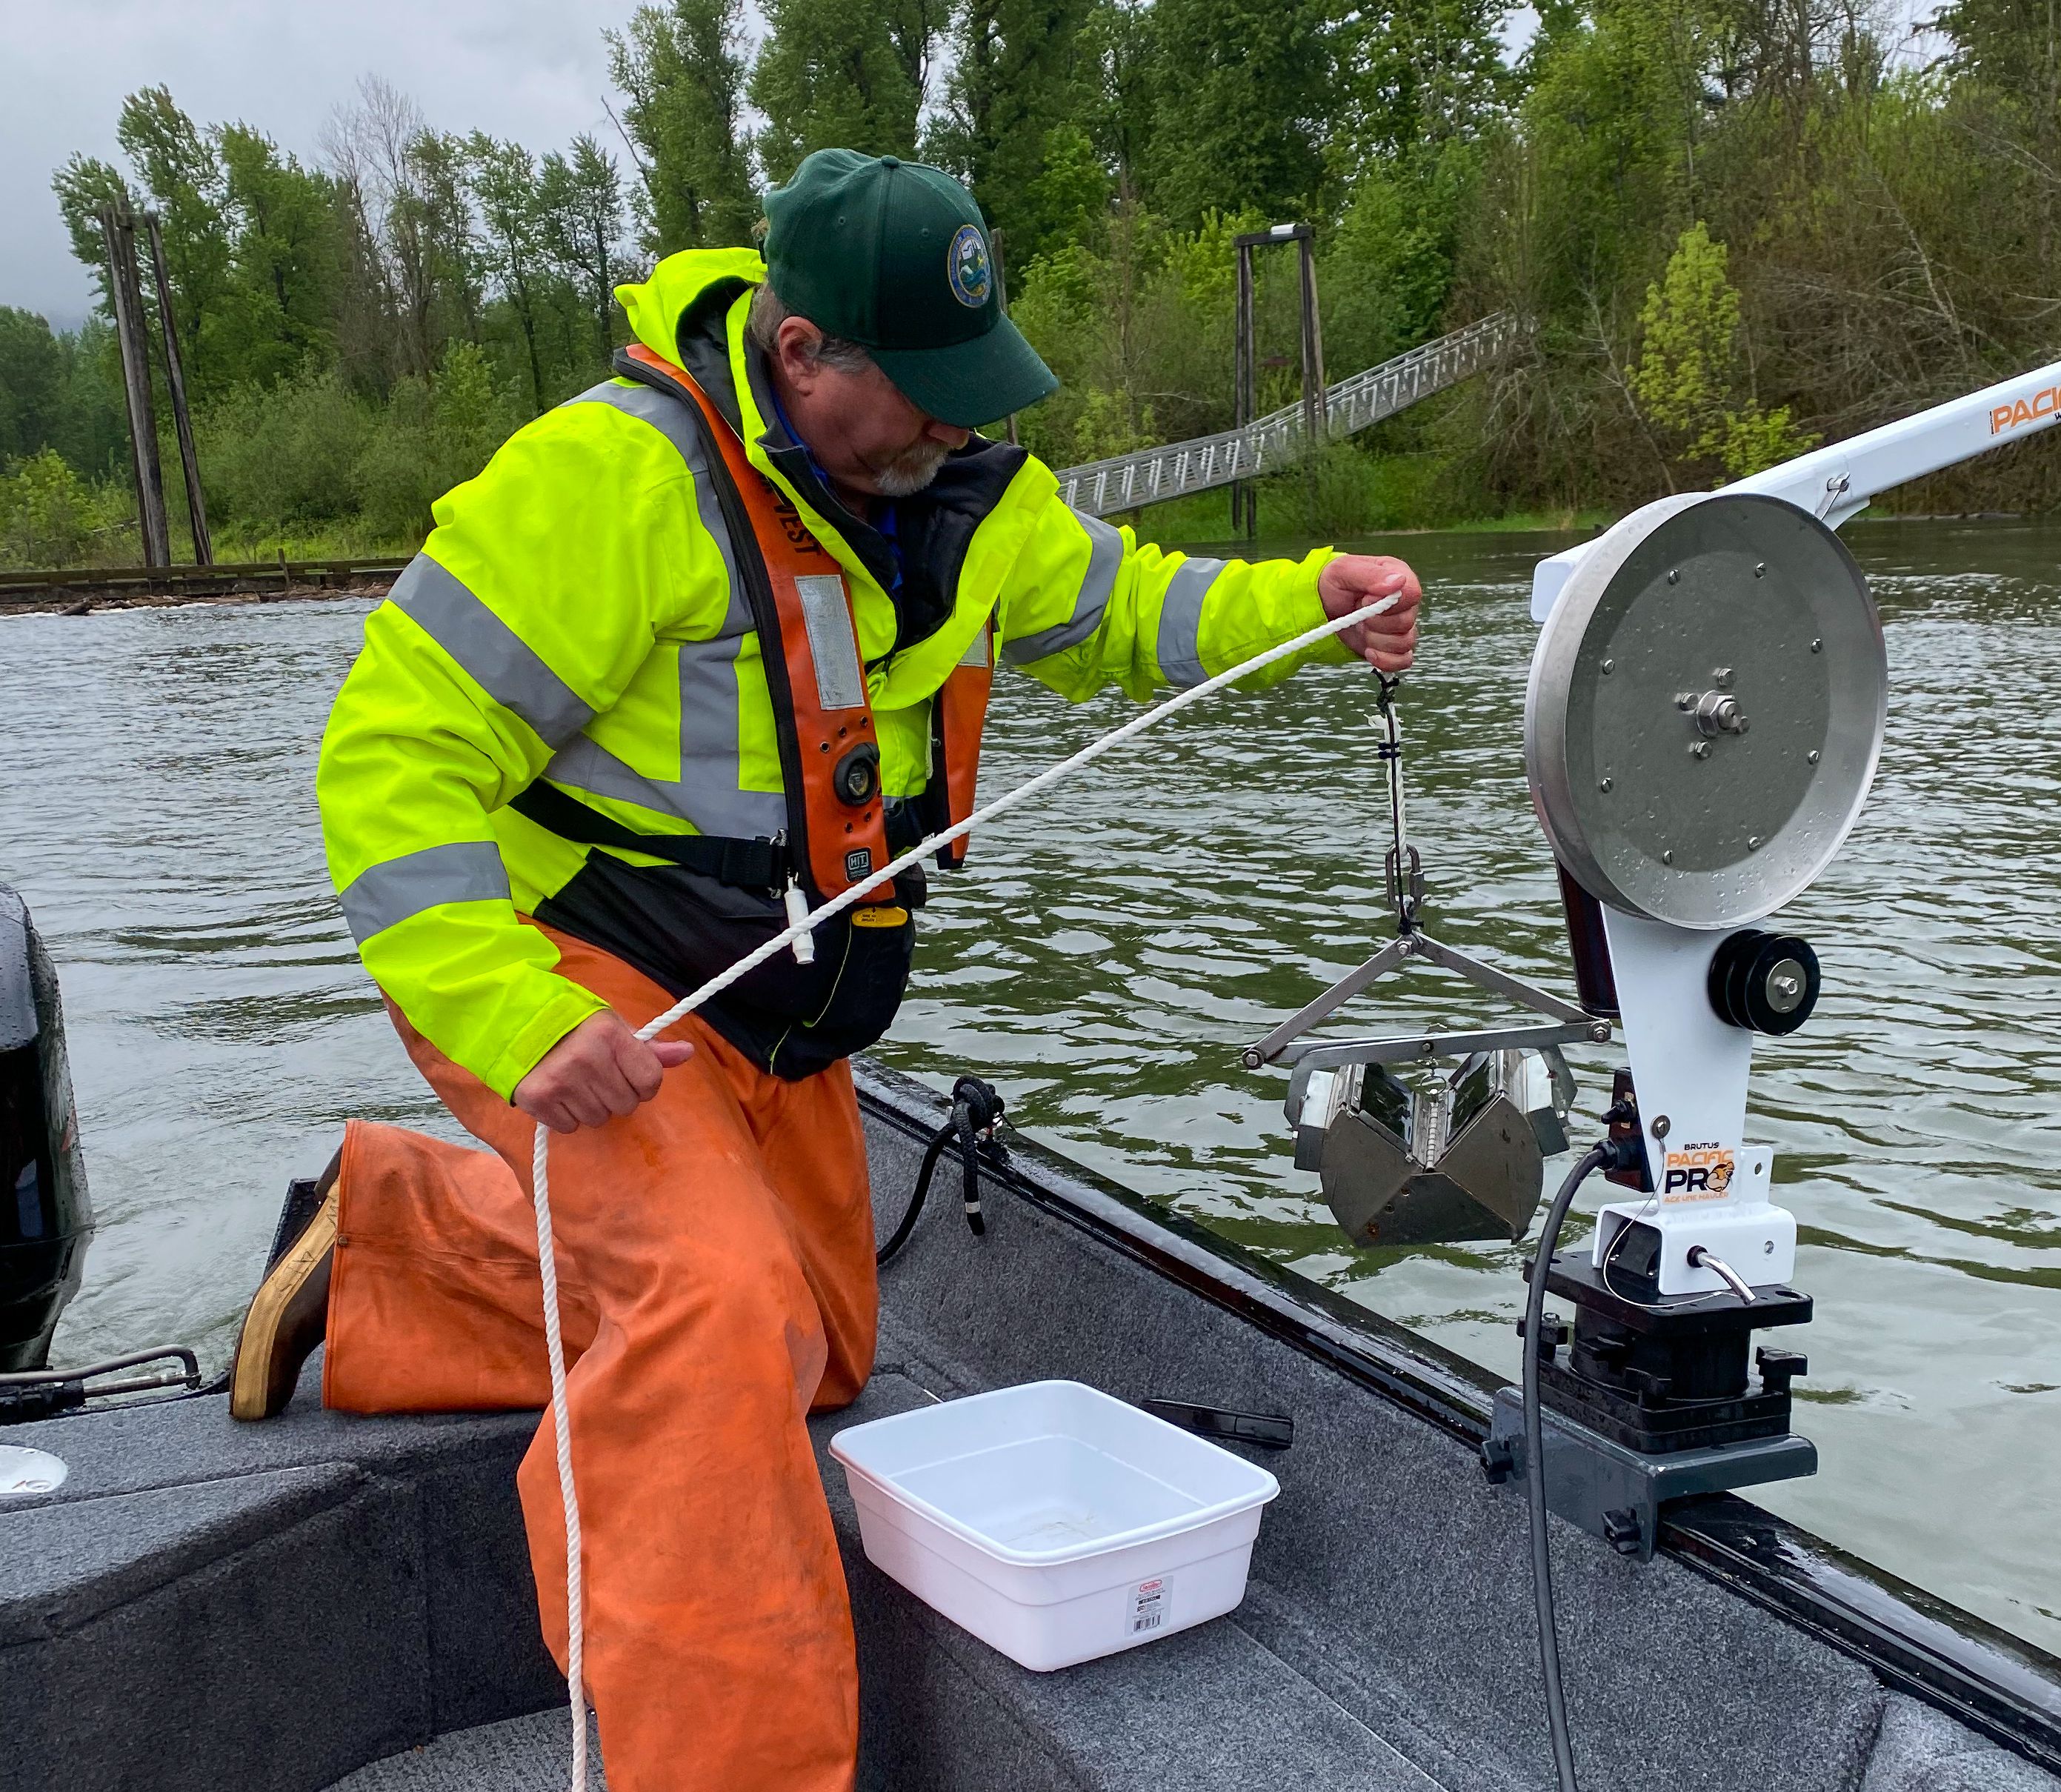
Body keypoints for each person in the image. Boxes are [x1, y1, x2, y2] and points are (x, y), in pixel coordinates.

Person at [229, 148, 1421, 1791]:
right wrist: (519, 1020)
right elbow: (384, 760)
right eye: (924, 393)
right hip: (580, 987)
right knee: (722, 1323)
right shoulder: (610, 481)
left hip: (776, 1021)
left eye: (973, 388)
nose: (956, 423)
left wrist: (1312, 598)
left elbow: (1121, 605)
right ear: (803, 357)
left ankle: (379, 1247)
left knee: (823, 1341)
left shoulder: (974, 496)